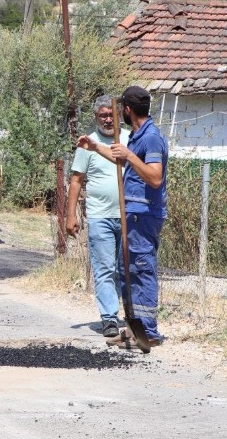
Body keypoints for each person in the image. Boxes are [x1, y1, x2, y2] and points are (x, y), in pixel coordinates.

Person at [76, 86, 168, 349]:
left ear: (127, 110)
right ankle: (134, 329)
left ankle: (148, 332)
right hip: (132, 214)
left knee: (141, 271)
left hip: (144, 215)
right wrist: (96, 148)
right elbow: (126, 162)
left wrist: (128, 155)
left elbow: (154, 177)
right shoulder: (139, 136)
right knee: (128, 273)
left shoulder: (150, 138)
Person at [66, 95, 131, 339]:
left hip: (128, 216)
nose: (107, 119)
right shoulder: (87, 143)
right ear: (96, 117)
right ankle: (110, 318)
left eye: (110, 114)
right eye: (102, 115)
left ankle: (133, 314)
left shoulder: (129, 139)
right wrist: (70, 216)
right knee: (104, 268)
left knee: (125, 269)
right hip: (100, 216)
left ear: (118, 115)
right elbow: (76, 180)